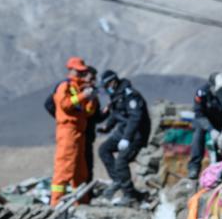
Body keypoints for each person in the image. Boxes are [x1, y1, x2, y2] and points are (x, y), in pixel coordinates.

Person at [98, 71, 151, 206]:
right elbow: (116, 114)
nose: (106, 89)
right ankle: (118, 181)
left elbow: (135, 118)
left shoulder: (131, 95)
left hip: (135, 134)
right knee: (103, 150)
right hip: (122, 132)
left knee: (121, 161)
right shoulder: (116, 96)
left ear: (113, 81)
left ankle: (129, 196)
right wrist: (107, 127)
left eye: (107, 85)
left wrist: (127, 138)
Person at [50, 57, 98, 206]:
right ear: (71, 70)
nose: (81, 74)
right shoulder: (65, 86)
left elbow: (87, 112)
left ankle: (81, 202)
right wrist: (83, 95)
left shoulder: (79, 88)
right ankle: (56, 202)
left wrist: (92, 99)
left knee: (80, 170)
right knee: (64, 167)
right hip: (67, 131)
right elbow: (65, 104)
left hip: (79, 132)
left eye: (82, 72)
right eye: (79, 71)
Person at [187, 74, 222, 180]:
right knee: (198, 135)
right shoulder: (202, 92)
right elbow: (199, 113)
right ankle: (194, 167)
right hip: (204, 120)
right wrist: (211, 130)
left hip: (221, 121)